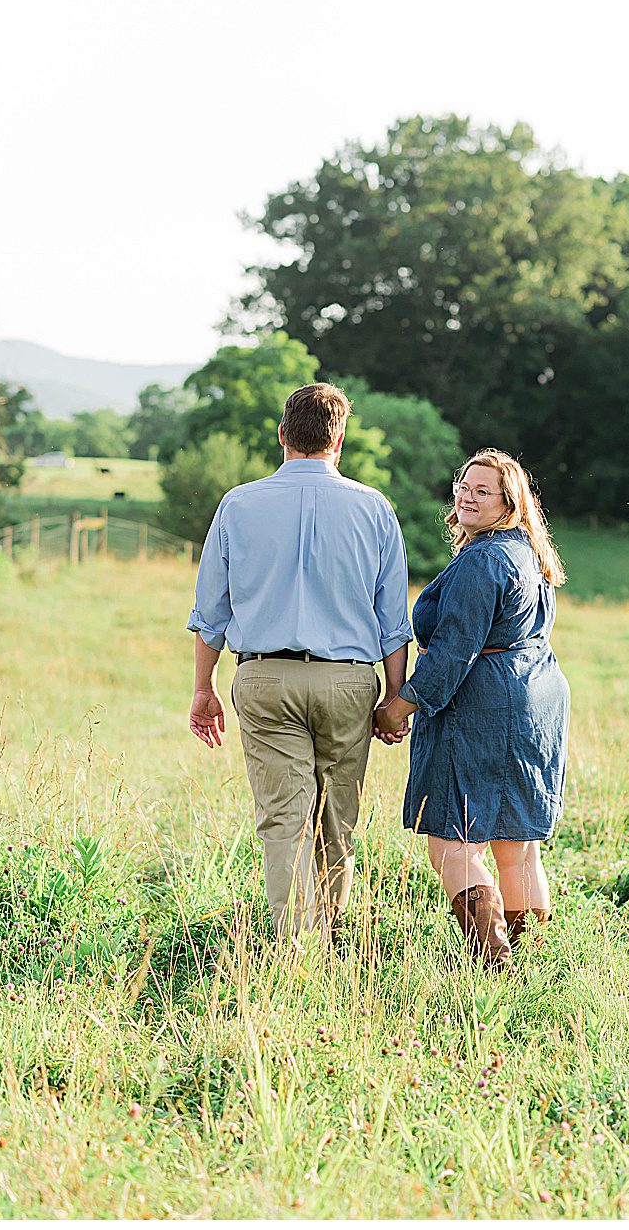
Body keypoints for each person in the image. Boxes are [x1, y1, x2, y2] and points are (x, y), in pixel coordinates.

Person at [187, 383, 413, 944]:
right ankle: (333, 940)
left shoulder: (238, 504)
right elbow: (392, 619)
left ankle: (293, 948)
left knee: (284, 821)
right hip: (349, 682)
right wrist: (394, 696)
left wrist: (203, 688)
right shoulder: (375, 508)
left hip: (264, 677)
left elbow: (211, 610)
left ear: (282, 435)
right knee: (338, 818)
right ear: (340, 440)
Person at [373, 448, 570, 973]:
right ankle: (532, 968)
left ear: (509, 504)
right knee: (516, 845)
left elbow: (456, 648)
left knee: (453, 843)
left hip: (485, 704)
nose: (467, 496)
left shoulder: (483, 560)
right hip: (536, 696)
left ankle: (497, 965)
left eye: (483, 491)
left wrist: (404, 702)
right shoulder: (526, 550)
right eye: (464, 485)